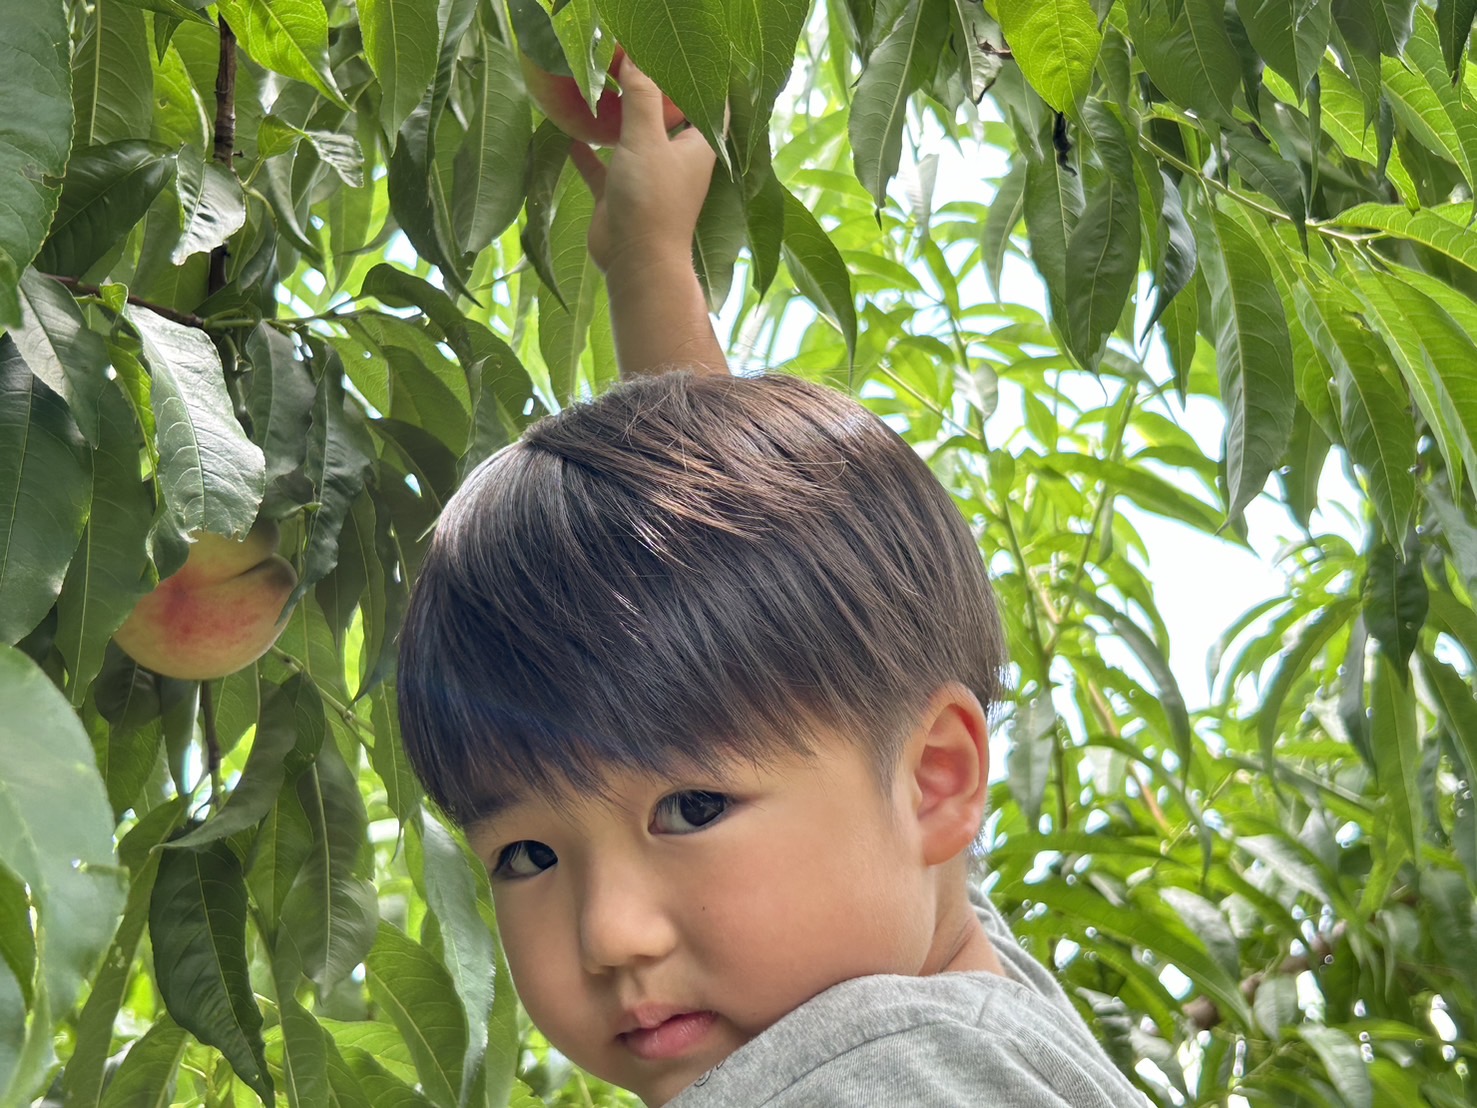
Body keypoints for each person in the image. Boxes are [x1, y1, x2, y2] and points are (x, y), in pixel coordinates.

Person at [396, 57, 1150, 1108]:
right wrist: (648, 256)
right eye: (525, 854)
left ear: (935, 778)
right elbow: (738, 590)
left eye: (692, 806)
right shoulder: (957, 1013)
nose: (610, 933)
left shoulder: (877, 1074)